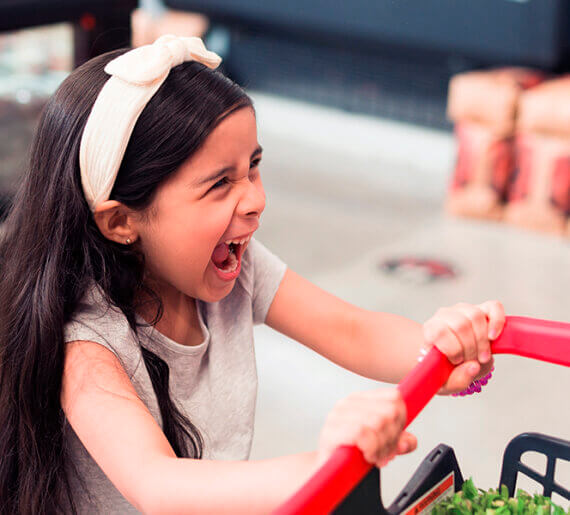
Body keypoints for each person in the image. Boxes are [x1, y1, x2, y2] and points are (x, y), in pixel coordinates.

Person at [0, 35, 505, 514]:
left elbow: (351, 329)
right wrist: (329, 464)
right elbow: (159, 485)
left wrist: (440, 353)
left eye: (253, 166)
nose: (257, 200)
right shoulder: (87, 343)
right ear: (122, 221)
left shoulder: (234, 270)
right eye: (220, 183)